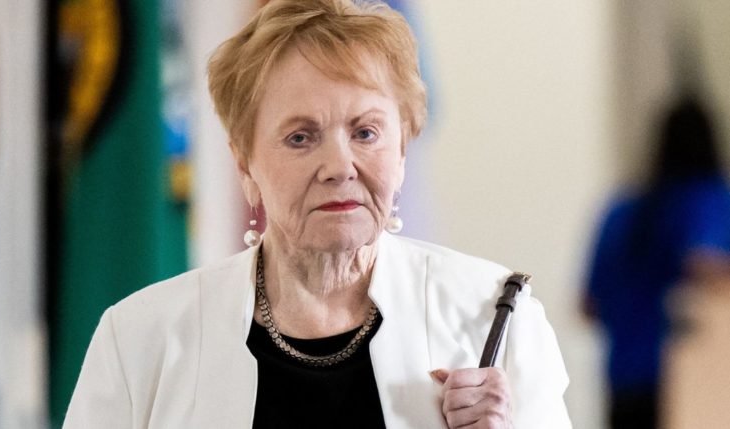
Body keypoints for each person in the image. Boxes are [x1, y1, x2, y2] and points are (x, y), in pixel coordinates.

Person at [63, 0, 571, 427]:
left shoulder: (495, 320)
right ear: (245, 162)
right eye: (300, 137)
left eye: (366, 132)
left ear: (402, 150)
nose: (339, 166)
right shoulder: (140, 338)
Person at [583, 95, 730, 429]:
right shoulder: (710, 199)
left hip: (623, 378)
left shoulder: (620, 210)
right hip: (686, 381)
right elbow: (702, 263)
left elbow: (588, 305)